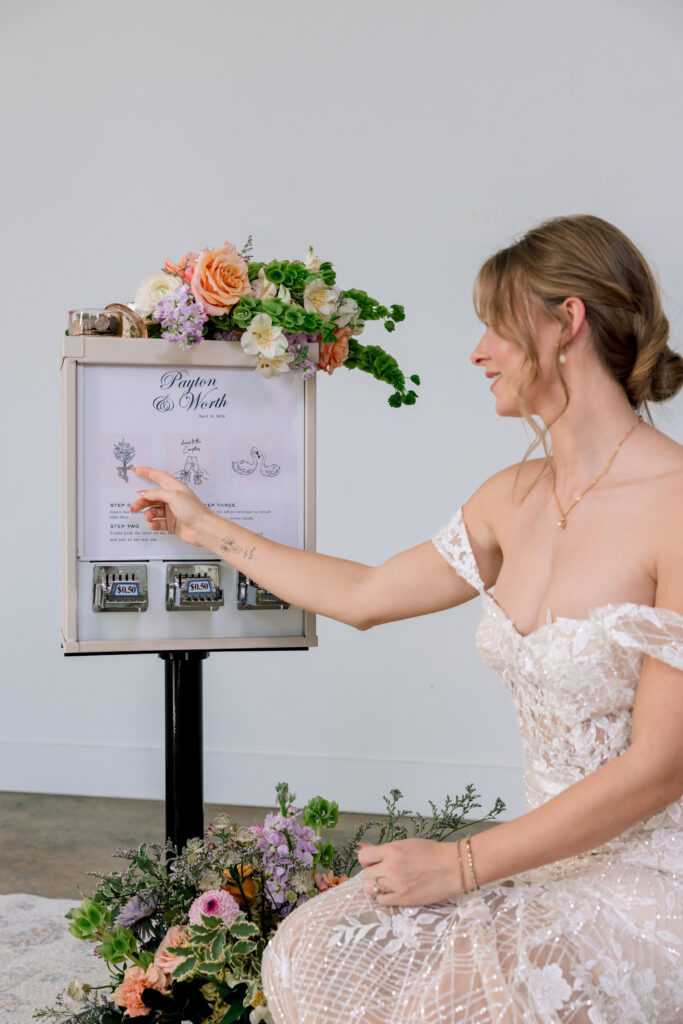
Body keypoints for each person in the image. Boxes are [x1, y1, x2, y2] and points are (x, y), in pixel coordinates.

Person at [130, 214, 683, 1022]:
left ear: (567, 322)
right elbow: (364, 596)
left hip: (650, 879)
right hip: (545, 860)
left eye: (495, 327)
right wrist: (200, 526)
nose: (477, 352)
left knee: (437, 997)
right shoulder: (510, 497)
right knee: (312, 953)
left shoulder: (674, 505)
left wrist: (462, 865)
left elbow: (660, 768)